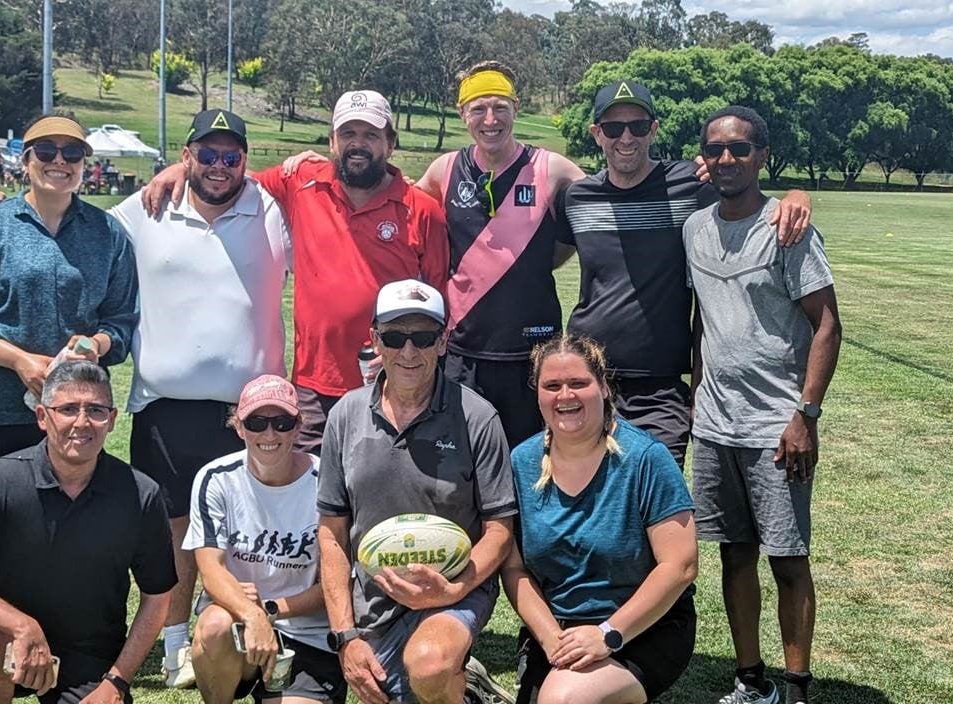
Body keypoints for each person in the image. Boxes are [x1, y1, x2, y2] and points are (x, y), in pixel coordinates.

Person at [0, 108, 294, 689]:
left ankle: (235, 633)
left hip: (247, 409)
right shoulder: (145, 210)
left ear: (246, 160)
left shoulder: (271, 208)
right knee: (171, 531)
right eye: (206, 153)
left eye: (231, 155)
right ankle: (173, 649)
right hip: (165, 403)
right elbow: (69, 215)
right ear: (186, 155)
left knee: (238, 528)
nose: (220, 165)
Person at [280, 63, 583, 447]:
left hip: (531, 351)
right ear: (462, 114)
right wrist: (324, 163)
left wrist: (547, 257)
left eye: (500, 107)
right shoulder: (445, 169)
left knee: (530, 463)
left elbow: (602, 203)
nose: (490, 120)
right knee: (460, 465)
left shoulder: (551, 167)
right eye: (478, 108)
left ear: (516, 108)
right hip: (461, 351)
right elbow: (398, 197)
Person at [142, 90, 449, 455]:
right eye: (348, 134)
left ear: (390, 144)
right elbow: (232, 174)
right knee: (312, 498)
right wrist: (184, 167)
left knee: (386, 488)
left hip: (393, 380)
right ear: (332, 140)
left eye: (370, 135)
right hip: (312, 388)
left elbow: (440, 302)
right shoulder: (300, 181)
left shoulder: (422, 210)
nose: (358, 145)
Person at [556, 80, 812, 464]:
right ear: (596, 134)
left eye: (638, 126)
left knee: (658, 502)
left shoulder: (691, 186)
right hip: (588, 377)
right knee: (590, 498)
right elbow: (547, 259)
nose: (626, 137)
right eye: (613, 128)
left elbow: (744, 193)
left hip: (662, 386)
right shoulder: (577, 199)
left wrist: (796, 196)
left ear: (654, 129)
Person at [683, 106, 842, 704]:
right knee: (734, 554)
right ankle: (750, 680)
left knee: (789, 559)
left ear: (762, 156)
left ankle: (797, 687)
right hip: (716, 423)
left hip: (777, 424)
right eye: (716, 149)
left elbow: (826, 325)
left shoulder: (788, 228)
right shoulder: (694, 228)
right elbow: (702, 321)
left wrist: (806, 415)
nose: (728, 159)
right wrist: (699, 395)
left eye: (741, 149)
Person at [0, 361, 177, 704]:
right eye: (68, 409)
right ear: (43, 417)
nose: (82, 422)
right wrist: (21, 626)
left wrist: (116, 681)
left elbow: (157, 597)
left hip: (91, 656)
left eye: (96, 410)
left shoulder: (140, 494)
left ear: (113, 419)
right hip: (7, 642)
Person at [316, 280, 516, 704]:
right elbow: (332, 534)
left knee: (428, 664)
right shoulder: (345, 417)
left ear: (443, 341)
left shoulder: (478, 418)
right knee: (400, 689)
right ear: (375, 341)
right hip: (375, 598)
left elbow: (499, 531)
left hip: (455, 587)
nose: (408, 352)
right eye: (394, 337)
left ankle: (451, 674)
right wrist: (346, 636)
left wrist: (454, 588)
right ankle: (468, 690)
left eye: (423, 337)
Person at [502, 334, 697, 704]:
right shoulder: (521, 463)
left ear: (604, 387)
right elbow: (514, 570)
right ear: (538, 393)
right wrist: (550, 640)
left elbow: (680, 566)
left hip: (643, 627)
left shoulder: (646, 459)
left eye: (578, 383)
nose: (565, 396)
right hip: (558, 629)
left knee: (564, 699)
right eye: (552, 386)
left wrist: (608, 634)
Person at [0, 114, 137, 462]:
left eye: (72, 153)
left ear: (84, 165)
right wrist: (19, 361)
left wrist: (95, 345)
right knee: (11, 511)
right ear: (25, 160)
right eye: (46, 151)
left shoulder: (108, 233)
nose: (59, 160)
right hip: (1, 410)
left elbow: (121, 319)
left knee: (78, 511)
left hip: (80, 411)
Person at [185, 374, 346, 704]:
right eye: (256, 422)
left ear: (299, 427)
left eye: (282, 422)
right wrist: (251, 615)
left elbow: (336, 582)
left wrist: (268, 611)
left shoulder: (326, 481)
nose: (269, 434)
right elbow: (210, 569)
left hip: (307, 634)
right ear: (239, 427)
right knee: (214, 625)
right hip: (238, 622)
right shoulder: (215, 478)